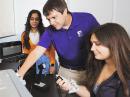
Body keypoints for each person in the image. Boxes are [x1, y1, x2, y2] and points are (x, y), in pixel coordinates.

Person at [18, 0, 99, 96]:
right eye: (48, 19)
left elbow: (103, 41)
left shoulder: (87, 19)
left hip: (90, 71)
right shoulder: (49, 31)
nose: (51, 22)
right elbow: (37, 52)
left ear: (64, 11)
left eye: (54, 17)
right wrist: (19, 75)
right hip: (67, 72)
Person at [57, 23, 130, 97]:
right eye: (92, 44)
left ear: (114, 44)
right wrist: (72, 87)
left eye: (97, 44)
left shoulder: (126, 76)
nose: (92, 48)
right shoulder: (98, 63)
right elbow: (92, 94)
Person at [21, 9, 56, 76]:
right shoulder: (24, 35)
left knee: (45, 82)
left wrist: (52, 64)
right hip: (33, 63)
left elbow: (51, 50)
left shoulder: (46, 32)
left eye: (37, 19)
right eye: (32, 19)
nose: (34, 21)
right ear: (29, 20)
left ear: (39, 21)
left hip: (46, 62)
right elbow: (26, 52)